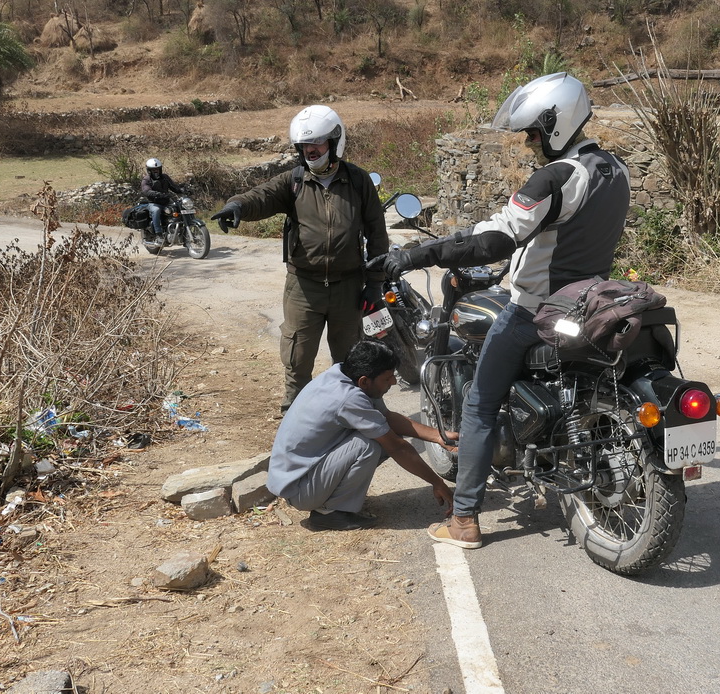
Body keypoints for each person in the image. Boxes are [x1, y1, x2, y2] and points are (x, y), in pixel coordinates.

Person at [367, 73, 631, 549]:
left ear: (554, 122)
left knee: (480, 404)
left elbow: (496, 238)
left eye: (533, 131)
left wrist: (416, 255)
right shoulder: (615, 169)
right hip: (590, 303)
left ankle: (464, 519)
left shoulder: (557, 176)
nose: (530, 142)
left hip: (535, 310)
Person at [211, 105, 390, 414]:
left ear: (334, 141)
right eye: (304, 145)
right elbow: (260, 196)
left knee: (351, 362)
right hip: (303, 288)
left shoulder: (359, 182)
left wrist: (374, 284)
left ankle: (355, 419)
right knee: (297, 360)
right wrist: (236, 206)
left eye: (316, 143)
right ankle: (297, 425)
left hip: (348, 286)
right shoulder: (293, 181)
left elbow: (377, 235)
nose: (310, 150)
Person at [266, 340, 456, 531]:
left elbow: (387, 417)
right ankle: (329, 514)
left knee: (378, 432)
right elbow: (397, 446)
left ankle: (334, 502)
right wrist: (436, 482)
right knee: (370, 443)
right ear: (364, 381)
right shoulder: (349, 398)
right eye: (388, 378)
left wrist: (438, 436)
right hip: (300, 489)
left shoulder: (342, 373)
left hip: (300, 477)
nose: (394, 382)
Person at [140, 157, 183, 238]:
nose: (156, 171)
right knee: (156, 210)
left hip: (166, 201)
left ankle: (181, 229)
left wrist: (182, 190)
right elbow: (146, 191)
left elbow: (173, 187)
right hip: (154, 203)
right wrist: (158, 194)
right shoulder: (146, 179)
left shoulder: (165, 177)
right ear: (149, 170)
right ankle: (158, 234)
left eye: (157, 169)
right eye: (153, 170)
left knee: (179, 207)